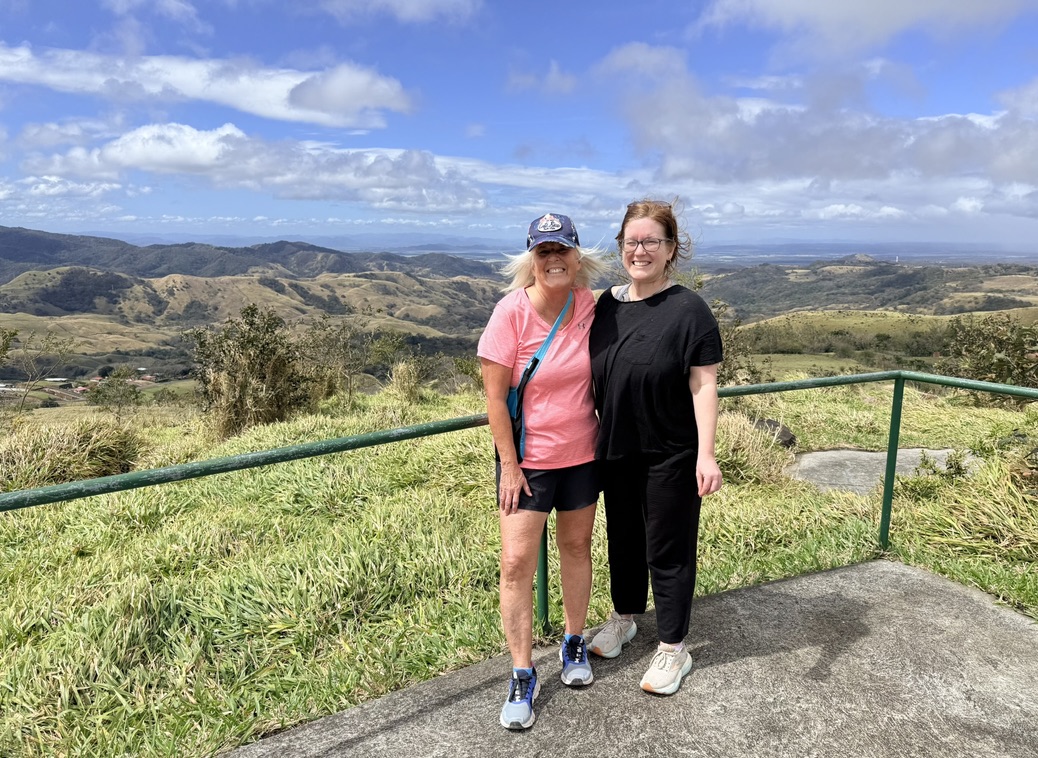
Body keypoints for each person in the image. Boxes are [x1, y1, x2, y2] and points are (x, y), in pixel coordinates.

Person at [587, 199, 724, 695]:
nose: (639, 250)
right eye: (631, 241)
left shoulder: (689, 310)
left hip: (672, 451)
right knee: (622, 539)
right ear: (620, 246)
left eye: (651, 241)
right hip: (615, 446)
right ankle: (624, 618)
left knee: (667, 548)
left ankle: (673, 647)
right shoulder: (605, 305)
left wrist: (706, 454)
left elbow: (703, 384)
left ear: (671, 249)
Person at [478, 212, 605, 730]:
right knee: (515, 564)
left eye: (562, 250)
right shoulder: (509, 313)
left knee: (577, 547)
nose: (554, 259)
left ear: (577, 257)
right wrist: (509, 467)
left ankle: (573, 642)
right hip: (527, 464)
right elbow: (494, 399)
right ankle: (522, 672)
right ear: (531, 260)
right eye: (543, 251)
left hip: (582, 455)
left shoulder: (590, 305)